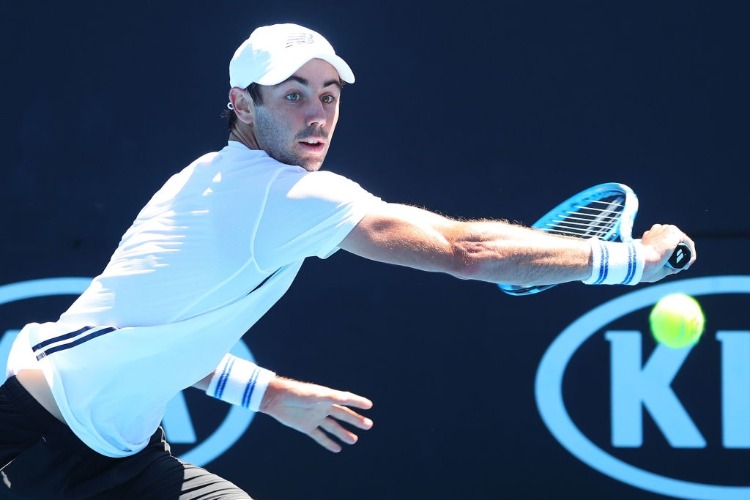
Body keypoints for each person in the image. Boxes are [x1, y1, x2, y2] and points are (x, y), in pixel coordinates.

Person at [1, 22, 696, 499]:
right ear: (243, 105)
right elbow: (467, 252)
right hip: (30, 443)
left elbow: (162, 334)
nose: (316, 114)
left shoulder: (210, 181)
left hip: (118, 454)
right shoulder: (284, 195)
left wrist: (268, 394)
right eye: (293, 95)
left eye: (328, 96)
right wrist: (631, 260)